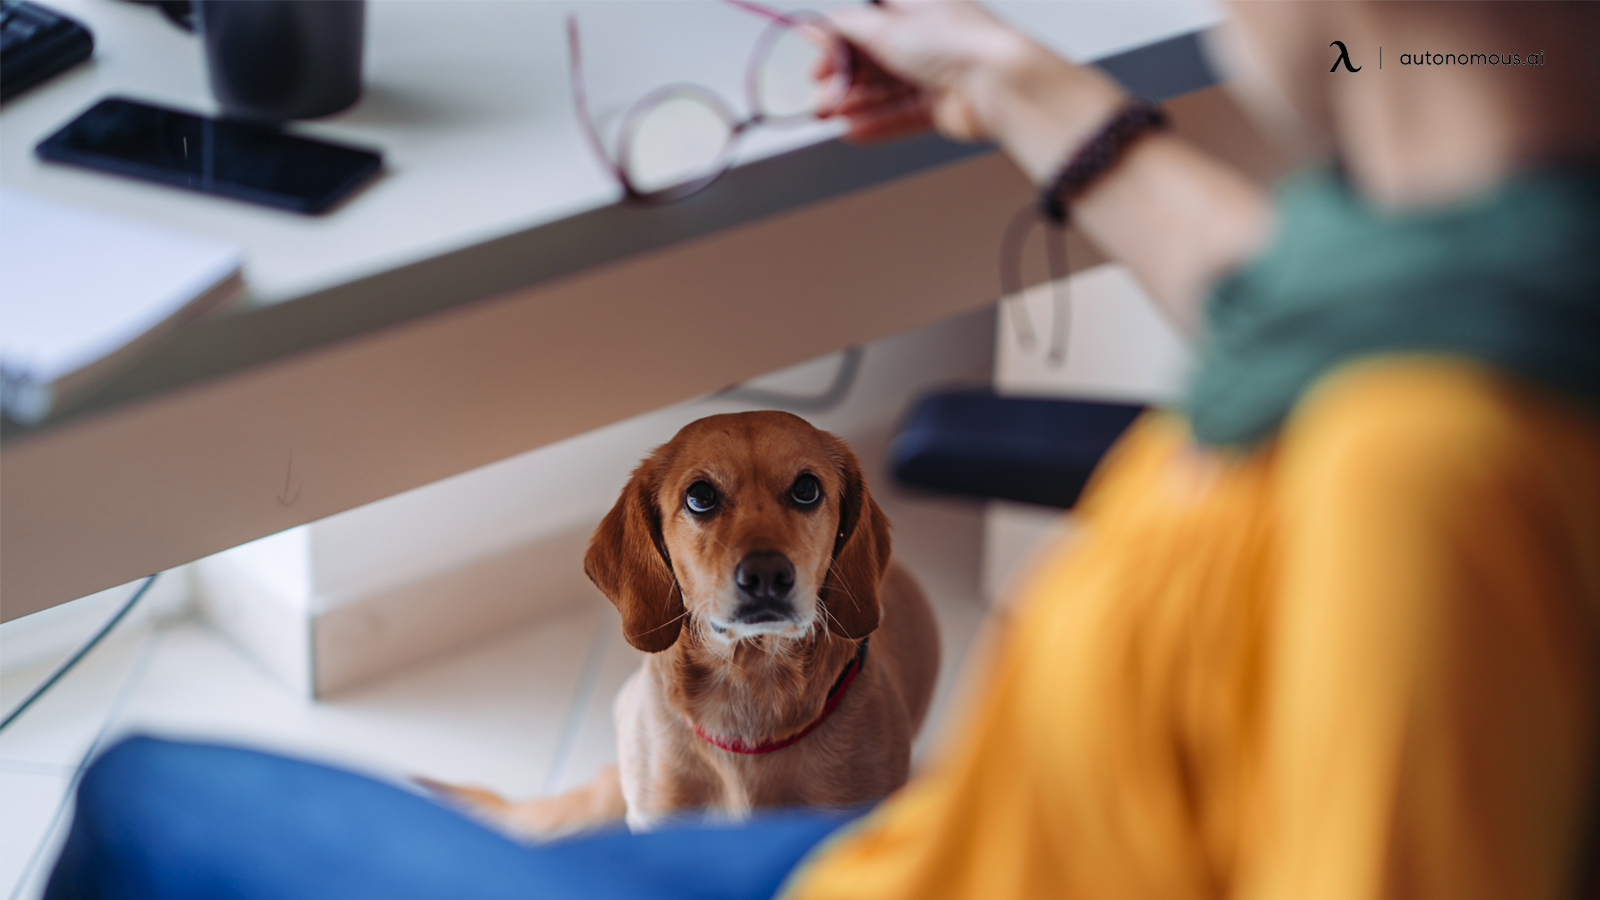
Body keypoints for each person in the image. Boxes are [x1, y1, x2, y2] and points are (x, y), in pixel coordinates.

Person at [45, 2, 1600, 899]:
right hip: (912, 844)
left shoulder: (1424, 474)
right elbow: (1294, 293)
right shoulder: (1461, 290)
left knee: (140, 804)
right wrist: (1018, 88)